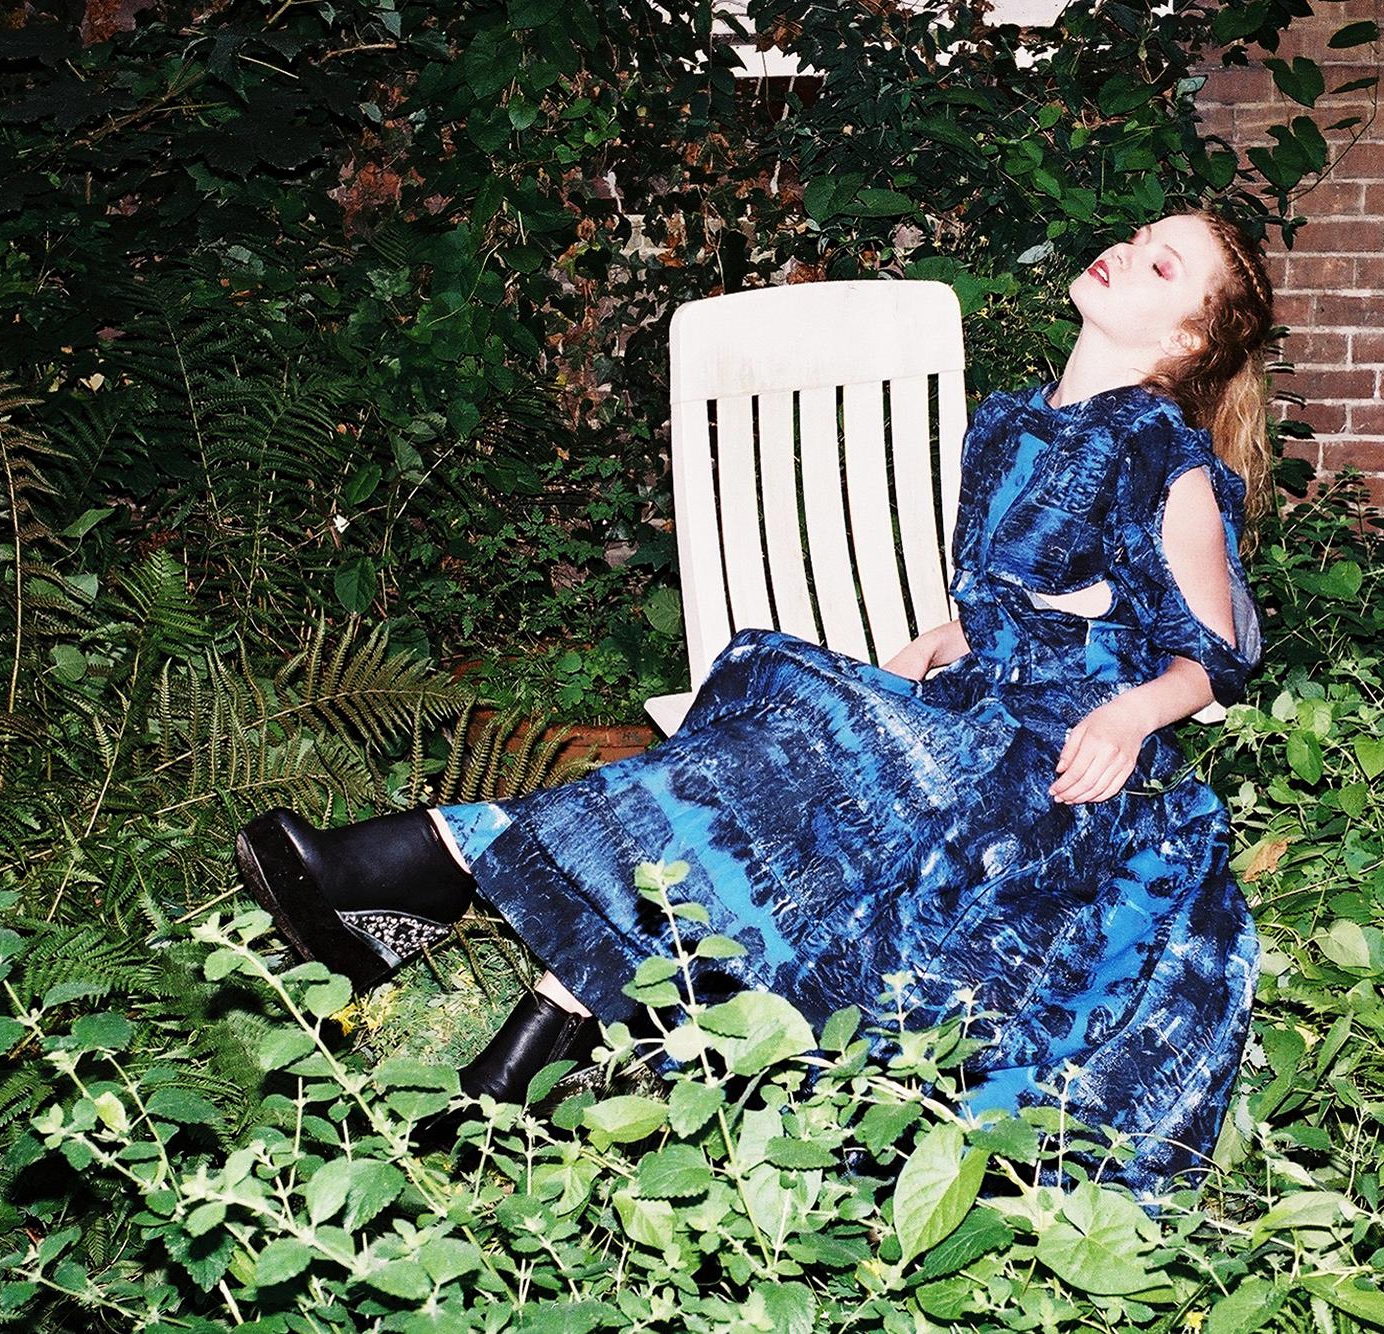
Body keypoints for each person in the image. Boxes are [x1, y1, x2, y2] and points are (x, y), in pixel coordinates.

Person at [234, 206, 1276, 1198]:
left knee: (791, 742)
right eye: (1139, 237)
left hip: (1062, 759)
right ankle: (503, 1061)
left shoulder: (1161, 452)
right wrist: (961, 630)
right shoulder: (1009, 421)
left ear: (1186, 337)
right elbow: (1047, 589)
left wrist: (1132, 715)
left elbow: (1213, 657)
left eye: (1161, 264)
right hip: (974, 709)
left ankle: (432, 867)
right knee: (764, 746)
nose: (1125, 251)